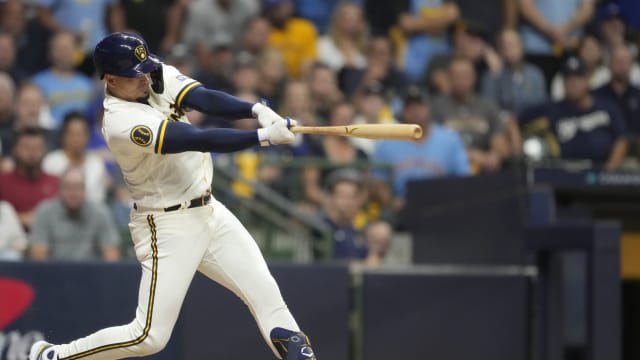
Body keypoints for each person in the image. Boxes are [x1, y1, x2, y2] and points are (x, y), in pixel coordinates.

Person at [29, 32, 316, 360]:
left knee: (269, 300)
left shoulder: (149, 73)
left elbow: (203, 98)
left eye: (146, 68)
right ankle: (53, 356)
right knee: (149, 336)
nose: (146, 77)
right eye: (135, 74)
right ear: (110, 79)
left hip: (210, 211)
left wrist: (256, 109)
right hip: (165, 223)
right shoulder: (122, 122)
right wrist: (262, 137)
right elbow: (196, 137)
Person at [371, 88, 470, 212]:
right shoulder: (387, 143)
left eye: (420, 106)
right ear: (403, 111)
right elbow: (378, 182)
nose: (415, 112)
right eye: (410, 107)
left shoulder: (450, 139)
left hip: (442, 207)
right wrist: (392, 203)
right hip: (402, 209)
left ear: (428, 108)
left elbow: (463, 178)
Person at [519, 56, 628, 169]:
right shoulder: (552, 109)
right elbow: (516, 119)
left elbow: (621, 139)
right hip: (564, 174)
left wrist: (609, 171)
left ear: (587, 80)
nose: (572, 83)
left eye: (577, 78)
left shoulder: (607, 107)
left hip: (601, 171)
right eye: (568, 78)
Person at [431, 58, 510, 173]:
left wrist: (495, 155)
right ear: (449, 78)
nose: (461, 80)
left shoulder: (488, 105)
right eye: (457, 76)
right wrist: (470, 155)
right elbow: (432, 145)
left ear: (474, 77)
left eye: (465, 75)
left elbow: (499, 140)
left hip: (485, 170)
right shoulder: (436, 107)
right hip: (449, 171)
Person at [29, 167, 121, 262]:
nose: (73, 193)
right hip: (53, 274)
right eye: (68, 187)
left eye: (78, 187)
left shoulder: (100, 213)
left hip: (93, 274)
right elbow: (38, 259)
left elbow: (112, 257)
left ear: (85, 190)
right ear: (59, 190)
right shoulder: (44, 213)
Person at [31, 31, 96, 128]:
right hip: (51, 137)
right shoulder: (36, 83)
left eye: (68, 48)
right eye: (60, 49)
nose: (65, 53)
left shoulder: (88, 84)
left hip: (83, 137)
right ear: (50, 53)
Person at [42, 112, 109, 202]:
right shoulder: (51, 162)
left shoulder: (96, 163)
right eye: (72, 134)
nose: (76, 139)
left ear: (88, 136)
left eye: (80, 134)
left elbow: (99, 199)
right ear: (63, 136)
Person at [0, 127, 58, 230]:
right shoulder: (2, 182)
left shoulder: (56, 182)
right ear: (15, 150)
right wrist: (19, 219)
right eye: (26, 147)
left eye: (36, 148)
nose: (31, 153)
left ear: (45, 150)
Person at [264, 0, 319, 79]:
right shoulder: (265, 30)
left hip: (299, 79)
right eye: (272, 8)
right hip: (273, 78)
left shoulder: (304, 28)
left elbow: (309, 60)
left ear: (290, 6)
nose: (276, 11)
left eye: (279, 7)